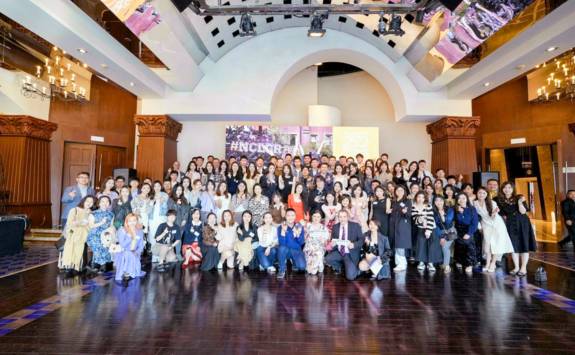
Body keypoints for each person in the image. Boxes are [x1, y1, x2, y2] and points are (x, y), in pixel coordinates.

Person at [496, 182, 537, 277]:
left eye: (509, 187)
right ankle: (516, 267)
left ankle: (523, 268)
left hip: (522, 222)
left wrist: (519, 202)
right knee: (513, 245)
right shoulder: (500, 200)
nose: (507, 189)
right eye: (505, 188)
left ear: (513, 189)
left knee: (524, 244)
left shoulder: (519, 197)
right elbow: (501, 213)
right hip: (510, 223)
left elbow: (523, 211)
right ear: (502, 189)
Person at [474, 187, 514, 272]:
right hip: (485, 224)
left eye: (484, 193)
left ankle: (492, 263)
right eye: (479, 193)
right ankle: (487, 263)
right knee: (487, 245)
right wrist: (479, 227)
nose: (481, 195)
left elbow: (493, 217)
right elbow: (475, 217)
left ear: (487, 194)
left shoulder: (492, 202)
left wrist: (494, 213)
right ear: (476, 194)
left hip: (496, 224)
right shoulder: (475, 203)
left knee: (496, 244)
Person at [60, 195, 95, 276]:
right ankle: (69, 269)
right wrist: (80, 222)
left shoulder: (91, 213)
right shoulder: (74, 210)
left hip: (83, 236)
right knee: (70, 251)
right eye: (87, 201)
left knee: (80, 253)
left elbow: (91, 226)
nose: (89, 203)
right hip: (73, 235)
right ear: (83, 201)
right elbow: (69, 223)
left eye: (91, 202)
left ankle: (78, 268)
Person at [325, 209, 364, 280]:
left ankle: (356, 270)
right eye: (340, 217)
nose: (342, 219)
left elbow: (362, 240)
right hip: (339, 252)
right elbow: (333, 240)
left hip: (350, 253)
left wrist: (354, 244)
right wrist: (332, 244)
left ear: (347, 217)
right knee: (327, 259)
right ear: (338, 217)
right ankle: (341, 267)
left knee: (350, 277)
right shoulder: (335, 227)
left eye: (344, 217)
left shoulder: (355, 226)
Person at [411, 191, 440, 271]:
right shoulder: (413, 206)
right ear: (416, 197)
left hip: (431, 228)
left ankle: (431, 263)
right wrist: (420, 219)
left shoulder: (428, 206)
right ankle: (421, 262)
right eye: (419, 197)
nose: (420, 199)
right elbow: (415, 219)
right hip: (420, 228)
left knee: (431, 246)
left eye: (422, 197)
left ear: (425, 198)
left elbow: (430, 218)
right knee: (421, 245)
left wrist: (428, 231)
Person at [113, 213, 146, 282]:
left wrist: (137, 252)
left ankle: (129, 272)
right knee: (128, 254)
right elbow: (122, 245)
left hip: (134, 253)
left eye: (134, 220)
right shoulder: (122, 230)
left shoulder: (140, 231)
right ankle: (125, 272)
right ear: (126, 222)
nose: (132, 223)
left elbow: (141, 245)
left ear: (137, 221)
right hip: (123, 252)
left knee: (132, 254)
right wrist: (129, 235)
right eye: (130, 221)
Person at [86, 195, 114, 274]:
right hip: (94, 235)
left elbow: (111, 226)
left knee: (106, 244)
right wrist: (101, 222)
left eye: (107, 201)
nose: (105, 203)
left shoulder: (111, 214)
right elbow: (91, 226)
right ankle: (102, 264)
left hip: (105, 235)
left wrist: (111, 232)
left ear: (109, 204)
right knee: (98, 245)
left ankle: (96, 264)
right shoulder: (93, 213)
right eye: (103, 201)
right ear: (99, 203)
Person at [276, 209, 306, 279]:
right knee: (282, 248)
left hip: (296, 250)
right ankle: (282, 270)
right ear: (285, 216)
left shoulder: (299, 226)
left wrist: (298, 234)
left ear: (295, 216)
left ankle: (295, 263)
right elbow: (282, 243)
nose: (290, 217)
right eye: (288, 215)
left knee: (302, 267)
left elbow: (301, 242)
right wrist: (283, 231)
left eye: (292, 215)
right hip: (286, 251)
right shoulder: (280, 227)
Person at [454, 193, 479, 274]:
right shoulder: (455, 209)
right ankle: (459, 261)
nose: (461, 200)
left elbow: (474, 223)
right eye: (459, 198)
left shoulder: (472, 209)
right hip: (458, 230)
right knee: (459, 246)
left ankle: (469, 264)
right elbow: (460, 221)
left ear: (467, 199)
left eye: (463, 198)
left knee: (469, 245)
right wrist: (460, 213)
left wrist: (469, 233)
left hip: (469, 229)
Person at [390, 185, 412, 272]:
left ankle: (401, 264)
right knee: (396, 245)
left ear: (404, 191)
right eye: (397, 190)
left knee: (400, 245)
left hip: (402, 225)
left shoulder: (407, 201)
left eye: (401, 190)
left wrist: (405, 212)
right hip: (394, 225)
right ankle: (400, 262)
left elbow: (409, 214)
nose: (399, 192)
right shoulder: (394, 201)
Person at [433, 196, 455, 273]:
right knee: (439, 245)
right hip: (439, 232)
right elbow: (435, 225)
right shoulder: (433, 212)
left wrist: (442, 216)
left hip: (450, 231)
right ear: (434, 202)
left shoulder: (449, 210)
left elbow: (448, 223)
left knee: (445, 247)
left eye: (441, 200)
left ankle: (447, 266)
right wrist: (441, 236)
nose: (439, 202)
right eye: (436, 201)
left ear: (444, 201)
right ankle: (442, 262)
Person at [303, 210, 330, 275]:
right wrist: (305, 233)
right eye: (314, 216)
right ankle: (317, 265)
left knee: (313, 271)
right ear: (311, 217)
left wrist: (322, 240)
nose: (316, 218)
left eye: (318, 217)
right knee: (309, 271)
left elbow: (326, 241)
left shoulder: (324, 228)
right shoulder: (307, 225)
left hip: (319, 247)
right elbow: (304, 239)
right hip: (309, 247)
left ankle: (318, 264)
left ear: (321, 218)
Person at [149, 181, 169, 262]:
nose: (157, 188)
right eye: (155, 186)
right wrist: (152, 200)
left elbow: (164, 204)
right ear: (153, 187)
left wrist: (159, 199)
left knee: (161, 235)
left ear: (161, 187)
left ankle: (161, 255)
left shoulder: (164, 195)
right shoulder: (150, 195)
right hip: (152, 219)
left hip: (162, 218)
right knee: (153, 236)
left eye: (158, 186)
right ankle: (154, 255)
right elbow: (149, 208)